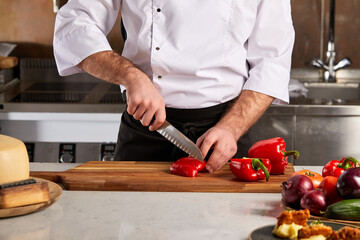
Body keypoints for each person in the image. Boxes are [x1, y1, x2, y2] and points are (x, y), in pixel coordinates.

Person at [53, 0, 295, 173]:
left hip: (225, 136)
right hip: (145, 128)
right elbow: (74, 25)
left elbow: (272, 60)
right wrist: (132, 77)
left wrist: (232, 128)